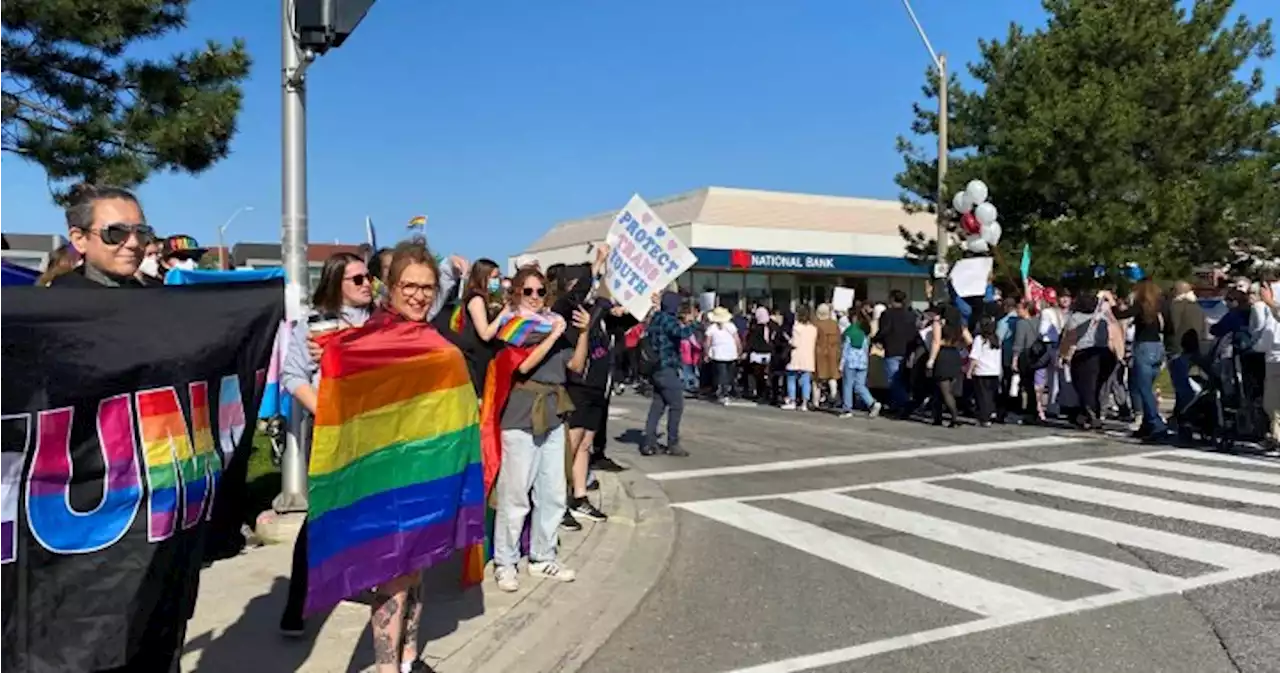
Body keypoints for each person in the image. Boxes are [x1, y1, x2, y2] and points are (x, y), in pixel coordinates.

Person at [277, 252, 375, 637]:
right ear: (336, 285)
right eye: (357, 279)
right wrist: (327, 410)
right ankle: (297, 604)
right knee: (322, 514)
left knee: (368, 508)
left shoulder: (382, 323)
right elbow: (292, 374)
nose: (367, 284)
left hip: (375, 429)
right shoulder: (313, 326)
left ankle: (357, 580)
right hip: (333, 431)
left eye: (368, 277)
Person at [493, 267, 591, 592]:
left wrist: (584, 332)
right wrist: (552, 334)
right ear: (517, 293)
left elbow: (576, 366)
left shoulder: (554, 324)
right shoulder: (513, 326)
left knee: (553, 492)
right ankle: (505, 562)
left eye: (539, 291)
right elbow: (523, 365)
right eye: (528, 291)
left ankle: (542, 556)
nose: (534, 298)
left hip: (553, 411)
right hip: (521, 412)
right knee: (515, 493)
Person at [52, 183, 156, 288]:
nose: (134, 243)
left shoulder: (159, 298)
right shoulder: (55, 301)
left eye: (141, 232)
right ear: (79, 240)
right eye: (116, 232)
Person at [1113, 281, 1170, 440]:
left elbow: (1121, 315)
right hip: (1158, 347)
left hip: (1144, 347)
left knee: (1143, 389)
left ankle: (1156, 423)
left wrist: (1111, 305)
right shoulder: (1162, 306)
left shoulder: (1142, 306)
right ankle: (1147, 424)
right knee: (1148, 385)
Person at [1060, 293, 1124, 430]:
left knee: (1084, 386)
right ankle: (1090, 413)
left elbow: (1070, 338)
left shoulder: (1075, 318)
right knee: (1097, 387)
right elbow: (1114, 334)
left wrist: (1064, 355)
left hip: (1085, 354)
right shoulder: (1104, 318)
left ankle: (1091, 415)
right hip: (1105, 354)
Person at [643, 293, 695, 456]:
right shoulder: (668, 320)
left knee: (657, 406)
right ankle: (673, 443)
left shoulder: (656, 318)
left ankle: (649, 443)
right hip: (667, 367)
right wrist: (696, 323)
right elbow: (681, 334)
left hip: (655, 367)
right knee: (676, 405)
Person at [455, 257, 505, 393]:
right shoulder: (476, 299)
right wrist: (503, 314)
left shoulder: (489, 298)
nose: (498, 281)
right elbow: (485, 334)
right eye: (494, 277)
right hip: (477, 361)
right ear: (483, 277)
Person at [1164, 280, 1207, 425]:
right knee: (1189, 380)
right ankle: (1180, 413)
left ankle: (1184, 414)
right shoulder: (1197, 307)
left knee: (1180, 385)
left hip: (1177, 348)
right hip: (1195, 349)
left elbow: (1173, 326)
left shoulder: (1176, 305)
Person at [926, 305, 972, 427]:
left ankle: (954, 417)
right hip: (954, 354)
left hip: (943, 355)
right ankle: (938, 417)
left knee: (943, 389)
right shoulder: (959, 325)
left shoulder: (939, 324)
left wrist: (931, 360)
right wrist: (958, 343)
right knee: (943, 389)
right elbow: (969, 340)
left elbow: (936, 342)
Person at [874, 290, 916, 412]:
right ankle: (898, 404)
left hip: (892, 349)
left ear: (892, 299)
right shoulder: (910, 315)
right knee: (902, 379)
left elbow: (884, 330)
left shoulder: (887, 314)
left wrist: (875, 339)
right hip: (907, 350)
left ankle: (903, 404)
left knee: (893, 380)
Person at [839, 304, 881, 418]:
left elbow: (845, 349)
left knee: (848, 385)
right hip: (863, 362)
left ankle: (847, 409)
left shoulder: (849, 331)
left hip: (850, 361)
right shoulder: (865, 331)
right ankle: (872, 403)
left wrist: (841, 364)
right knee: (860, 385)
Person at [968, 314, 1002, 426]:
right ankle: (991, 413)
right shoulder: (997, 339)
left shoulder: (979, 339)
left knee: (982, 396)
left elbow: (974, 357)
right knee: (991, 395)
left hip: (982, 371)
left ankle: (984, 417)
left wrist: (969, 371)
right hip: (994, 371)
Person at [783, 305, 818, 410]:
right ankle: (805, 403)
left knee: (791, 378)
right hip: (808, 356)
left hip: (797, 355)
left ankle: (792, 401)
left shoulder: (796, 328)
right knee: (806, 380)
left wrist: (788, 339)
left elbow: (795, 343)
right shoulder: (813, 329)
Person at [705, 306, 741, 404]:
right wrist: (739, 351)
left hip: (718, 354)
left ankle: (723, 393)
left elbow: (708, 342)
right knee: (729, 374)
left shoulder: (711, 328)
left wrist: (706, 353)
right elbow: (737, 340)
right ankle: (728, 392)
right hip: (731, 353)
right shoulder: (731, 326)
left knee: (721, 374)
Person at [814, 303, 842, 408]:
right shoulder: (834, 324)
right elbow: (839, 339)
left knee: (817, 378)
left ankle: (816, 401)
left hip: (819, 352)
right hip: (833, 352)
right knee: (832, 375)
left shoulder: (816, 324)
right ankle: (834, 395)